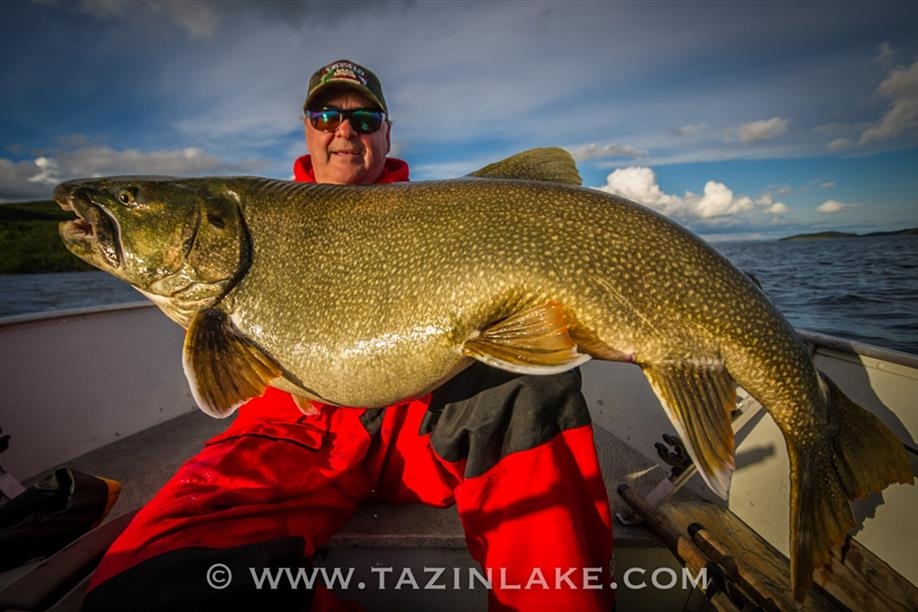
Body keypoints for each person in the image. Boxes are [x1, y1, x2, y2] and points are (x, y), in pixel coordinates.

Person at [83, 59, 613, 611]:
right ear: (307, 129)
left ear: (387, 134)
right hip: (292, 434)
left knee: (532, 389)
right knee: (146, 585)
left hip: (422, 426)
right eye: (325, 116)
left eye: (364, 119)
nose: (343, 129)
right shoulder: (255, 215)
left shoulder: (448, 214)